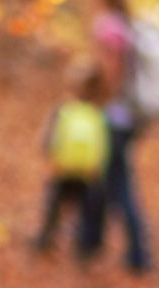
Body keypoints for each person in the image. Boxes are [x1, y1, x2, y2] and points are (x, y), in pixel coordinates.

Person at [83, 0, 158, 274]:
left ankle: (138, 254)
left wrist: (99, 100)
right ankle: (90, 241)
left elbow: (112, 72)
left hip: (114, 114)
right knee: (105, 176)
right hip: (127, 114)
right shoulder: (127, 24)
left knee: (118, 182)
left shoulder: (108, 27)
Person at [32, 60, 112, 256]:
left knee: (54, 206)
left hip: (63, 168)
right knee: (84, 210)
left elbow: (50, 137)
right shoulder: (99, 114)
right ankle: (83, 247)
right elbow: (103, 143)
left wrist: (49, 154)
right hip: (87, 172)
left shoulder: (64, 110)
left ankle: (45, 240)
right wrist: (100, 166)